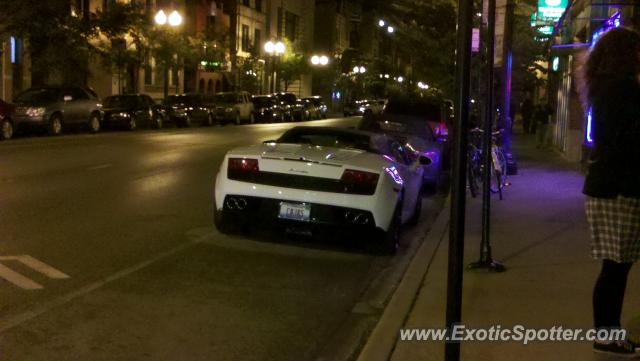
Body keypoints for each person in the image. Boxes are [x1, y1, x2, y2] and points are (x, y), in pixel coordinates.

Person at [583, 27, 640, 357]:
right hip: (619, 188)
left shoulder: (606, 87)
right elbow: (628, 139)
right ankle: (606, 334)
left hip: (608, 185)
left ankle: (608, 331)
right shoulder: (624, 89)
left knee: (614, 266)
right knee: (616, 267)